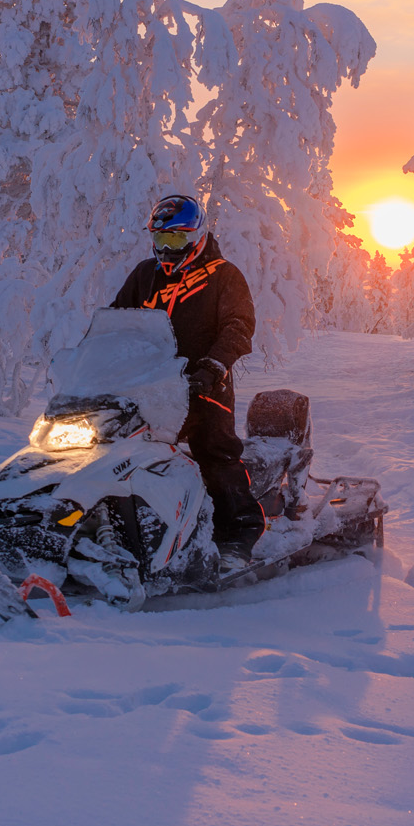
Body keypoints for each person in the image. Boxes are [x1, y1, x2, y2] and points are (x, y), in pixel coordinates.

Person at [110, 194, 264, 565]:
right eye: (159, 240)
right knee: (107, 448)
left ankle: (238, 533)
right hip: (147, 385)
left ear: (197, 236)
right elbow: (117, 319)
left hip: (203, 383)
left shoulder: (224, 276)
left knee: (214, 450)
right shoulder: (145, 275)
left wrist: (213, 366)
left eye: (175, 241)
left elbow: (238, 326)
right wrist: (96, 355)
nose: (166, 249)